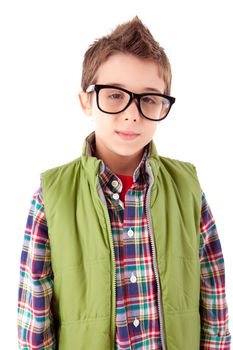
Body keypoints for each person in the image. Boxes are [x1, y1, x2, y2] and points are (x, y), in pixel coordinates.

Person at [17, 16, 231, 349]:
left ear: (163, 104)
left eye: (148, 99)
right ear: (86, 101)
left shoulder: (187, 189)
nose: (132, 114)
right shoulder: (51, 197)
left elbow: (214, 299)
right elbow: (35, 319)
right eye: (115, 95)